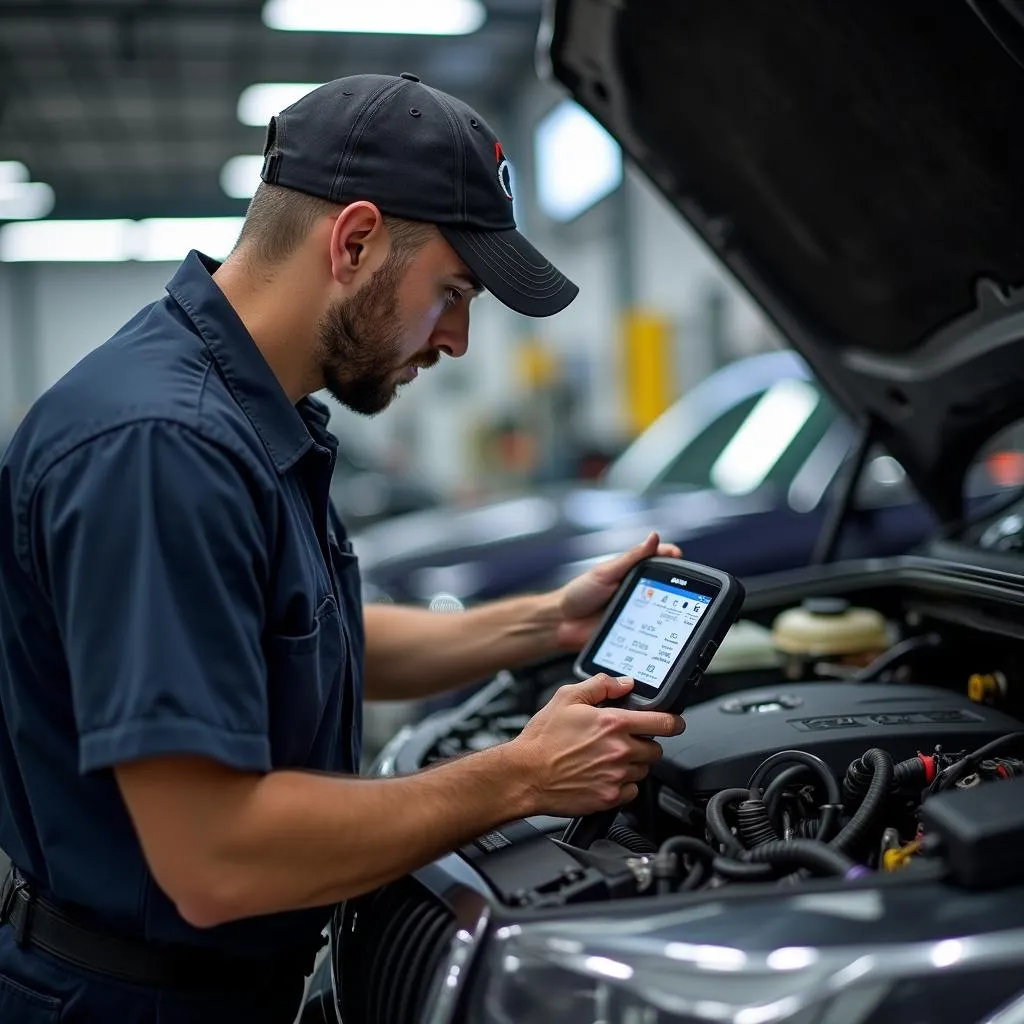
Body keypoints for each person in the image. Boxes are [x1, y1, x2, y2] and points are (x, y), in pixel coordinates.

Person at [0, 74, 685, 1024]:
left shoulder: (243, 415)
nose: (456, 338)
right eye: (453, 291)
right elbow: (215, 857)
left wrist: (545, 621)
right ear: (354, 240)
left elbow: (301, 634)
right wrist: (519, 776)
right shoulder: (164, 448)